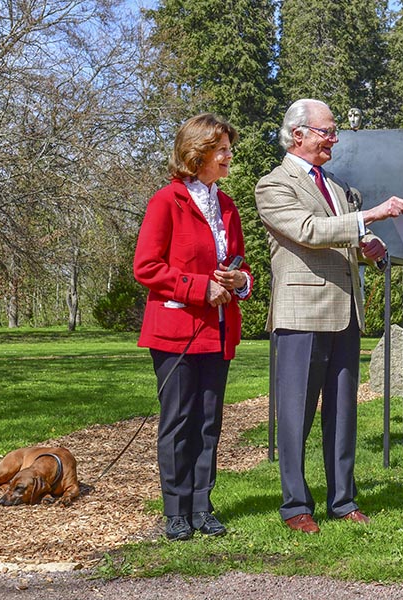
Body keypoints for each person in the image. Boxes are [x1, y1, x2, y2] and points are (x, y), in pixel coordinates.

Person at [254, 99, 403, 534]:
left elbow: (348, 241)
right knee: (296, 416)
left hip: (345, 312)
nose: (334, 139)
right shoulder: (273, 186)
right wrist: (370, 216)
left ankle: (343, 500)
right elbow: (308, 231)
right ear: (297, 134)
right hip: (301, 314)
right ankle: (295, 505)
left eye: (334, 131)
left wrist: (369, 248)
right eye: (328, 131)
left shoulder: (337, 186)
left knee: (343, 415)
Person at [134, 113, 253, 541]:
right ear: (197, 152)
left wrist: (240, 281)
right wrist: (200, 288)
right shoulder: (166, 201)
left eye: (227, 149)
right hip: (175, 332)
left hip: (218, 331)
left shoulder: (226, 204)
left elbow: (240, 263)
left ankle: (202, 507)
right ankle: (176, 510)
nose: (228, 156)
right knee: (178, 421)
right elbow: (146, 267)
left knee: (208, 422)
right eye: (221, 149)